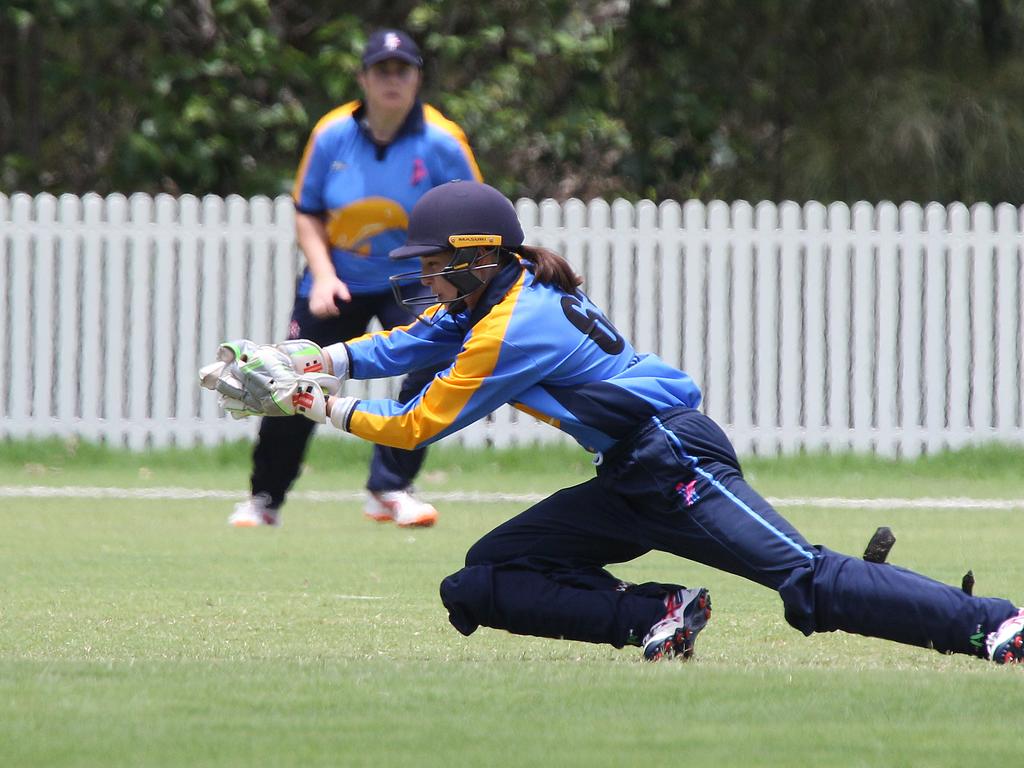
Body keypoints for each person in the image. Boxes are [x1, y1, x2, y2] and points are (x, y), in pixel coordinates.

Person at [211, 180, 1024, 665]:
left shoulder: (511, 326)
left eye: (433, 261)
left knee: (807, 581)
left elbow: (413, 427)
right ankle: (656, 616)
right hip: (630, 474)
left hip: (678, 463)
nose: (425, 276)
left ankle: (996, 627)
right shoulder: (499, 292)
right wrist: (298, 358)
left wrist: (305, 403)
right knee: (483, 578)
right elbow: (398, 344)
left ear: (475, 255)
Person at [229, 29, 483, 528]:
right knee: (292, 376)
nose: (392, 80)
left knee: (435, 362)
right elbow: (307, 212)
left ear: (417, 79)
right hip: (336, 277)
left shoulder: (442, 140)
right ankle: (265, 499)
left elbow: (470, 212)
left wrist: (453, 279)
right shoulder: (332, 133)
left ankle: (390, 488)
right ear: (364, 78)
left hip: (417, 279)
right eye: (382, 70)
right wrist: (323, 277)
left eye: (402, 70)